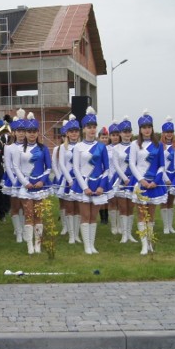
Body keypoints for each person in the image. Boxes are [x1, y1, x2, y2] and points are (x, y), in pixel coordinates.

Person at [11, 112, 52, 255]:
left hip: (40, 186)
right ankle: (29, 244)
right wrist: (25, 182)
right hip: (25, 187)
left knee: (38, 216)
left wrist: (42, 181)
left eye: (34, 131)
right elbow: (16, 167)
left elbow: (49, 167)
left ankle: (38, 244)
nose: (32, 134)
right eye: (29, 131)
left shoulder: (43, 148)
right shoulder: (18, 149)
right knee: (29, 215)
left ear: (38, 132)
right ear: (25, 133)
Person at [71, 107, 110, 254]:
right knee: (85, 215)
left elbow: (106, 168)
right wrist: (84, 187)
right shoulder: (78, 147)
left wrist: (101, 186)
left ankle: (92, 244)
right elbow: (75, 168)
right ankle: (87, 246)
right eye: (89, 127)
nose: (92, 130)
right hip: (83, 185)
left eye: (94, 127)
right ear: (84, 129)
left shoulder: (101, 146)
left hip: (98, 184)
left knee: (94, 216)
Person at [129, 111, 167, 255]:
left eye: (149, 127)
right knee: (141, 213)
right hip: (140, 182)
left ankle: (150, 241)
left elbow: (162, 165)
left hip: (154, 184)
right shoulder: (134, 144)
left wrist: (155, 182)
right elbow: (132, 164)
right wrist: (142, 180)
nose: (147, 129)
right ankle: (143, 244)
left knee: (151, 214)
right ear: (140, 129)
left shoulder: (159, 145)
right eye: (144, 127)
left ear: (152, 128)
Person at [112, 117, 137, 243]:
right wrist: (124, 178)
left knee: (131, 207)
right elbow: (116, 165)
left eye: (129, 131)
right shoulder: (116, 148)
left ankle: (129, 233)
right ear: (120, 133)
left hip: (133, 180)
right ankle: (124, 234)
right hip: (122, 180)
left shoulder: (136, 145)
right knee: (122, 207)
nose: (127, 134)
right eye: (124, 131)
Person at [57, 115, 81, 244]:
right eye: (71, 131)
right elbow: (61, 164)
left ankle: (77, 234)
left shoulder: (82, 146)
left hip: (81, 180)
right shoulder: (63, 147)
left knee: (78, 209)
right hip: (68, 180)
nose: (74, 134)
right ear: (67, 133)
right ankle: (71, 236)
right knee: (70, 209)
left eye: (76, 131)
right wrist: (70, 180)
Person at [4, 110, 27, 243]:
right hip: (13, 179)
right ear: (14, 132)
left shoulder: (29, 146)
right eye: (19, 131)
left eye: (23, 131)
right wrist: (14, 182)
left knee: (25, 206)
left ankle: (24, 230)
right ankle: (18, 232)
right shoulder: (9, 147)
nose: (21, 133)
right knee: (15, 206)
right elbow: (7, 165)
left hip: (26, 179)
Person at [160, 117, 175, 235]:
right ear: (163, 133)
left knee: (171, 201)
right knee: (164, 200)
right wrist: (165, 177)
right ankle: (165, 226)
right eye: (167, 132)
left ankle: (171, 225)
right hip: (163, 176)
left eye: (171, 132)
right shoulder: (159, 146)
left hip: (174, 176)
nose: (169, 134)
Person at [105, 122, 122, 236]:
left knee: (121, 202)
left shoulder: (124, 147)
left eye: (117, 134)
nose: (115, 137)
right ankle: (113, 226)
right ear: (110, 136)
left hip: (121, 177)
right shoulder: (105, 148)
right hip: (110, 177)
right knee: (112, 202)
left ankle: (120, 225)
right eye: (113, 135)